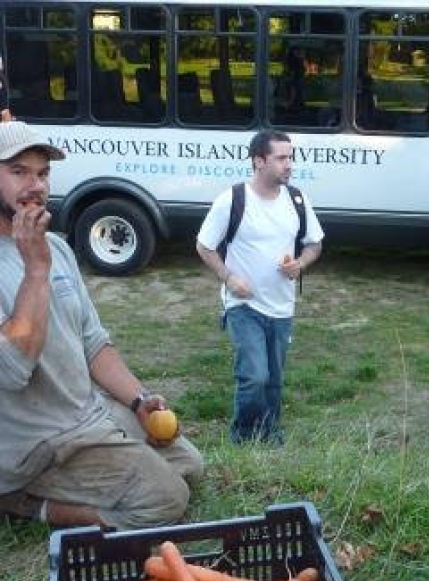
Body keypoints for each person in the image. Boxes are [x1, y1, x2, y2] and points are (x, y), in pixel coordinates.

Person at [0, 112, 204, 529]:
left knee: (189, 463)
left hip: (87, 415)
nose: (35, 185)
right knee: (166, 501)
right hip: (35, 444)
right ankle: (21, 501)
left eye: (43, 172)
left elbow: (93, 342)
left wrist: (138, 401)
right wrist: (34, 270)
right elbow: (13, 370)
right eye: (18, 171)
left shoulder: (56, 247)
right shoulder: (41, 257)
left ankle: (106, 459)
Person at [197, 130, 324, 444]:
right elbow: (204, 246)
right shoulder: (233, 199)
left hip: (282, 306)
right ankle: (242, 437)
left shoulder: (297, 199)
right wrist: (229, 278)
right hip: (244, 306)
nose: (289, 164)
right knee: (255, 377)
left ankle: (269, 434)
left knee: (274, 381)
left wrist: (300, 264)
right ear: (258, 161)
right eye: (281, 158)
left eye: (290, 157)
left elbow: (315, 244)